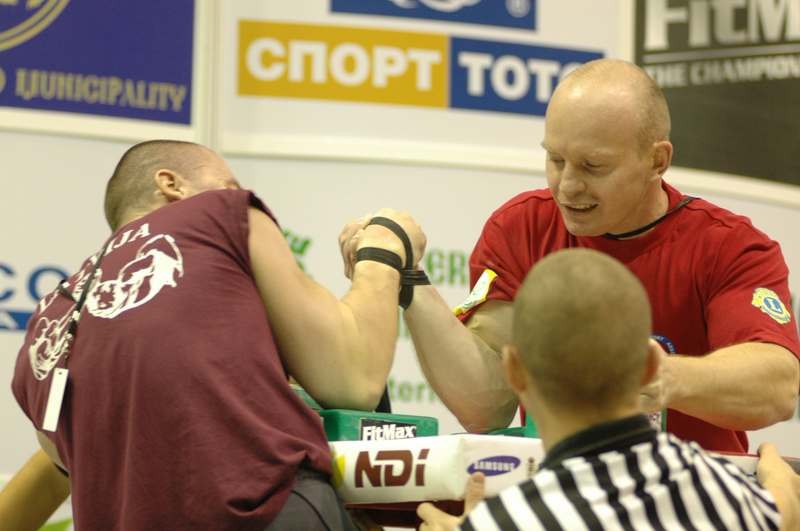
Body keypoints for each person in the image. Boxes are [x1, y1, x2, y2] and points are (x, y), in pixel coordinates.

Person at [342, 58, 800, 452]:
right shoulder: (520, 228)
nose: (567, 186)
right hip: (559, 497)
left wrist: (655, 376)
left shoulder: (730, 245)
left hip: (691, 503)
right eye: (556, 160)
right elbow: (489, 405)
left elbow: (778, 387)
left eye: (593, 166)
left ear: (657, 161)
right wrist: (410, 282)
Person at [10, 140, 426, 530]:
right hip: (262, 512)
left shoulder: (50, 320)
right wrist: (383, 250)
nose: (238, 193)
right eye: (230, 183)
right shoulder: (219, 214)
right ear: (170, 183)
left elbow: (60, 465)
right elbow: (353, 379)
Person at [417, 249, 800, 530]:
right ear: (651, 366)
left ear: (515, 371)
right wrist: (781, 493)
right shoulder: (736, 500)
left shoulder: (508, 521)